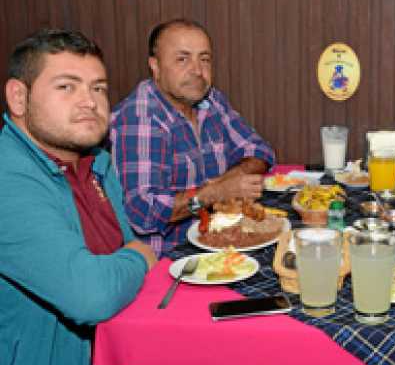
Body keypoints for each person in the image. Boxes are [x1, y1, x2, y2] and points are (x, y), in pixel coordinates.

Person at [0, 29, 156, 365]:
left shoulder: (96, 165)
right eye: (66, 87)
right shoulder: (8, 177)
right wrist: (141, 257)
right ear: (18, 98)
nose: (89, 101)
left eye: (98, 88)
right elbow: (90, 294)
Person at [110, 18, 275, 256]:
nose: (197, 71)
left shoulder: (211, 100)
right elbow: (144, 213)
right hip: (170, 261)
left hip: (221, 243)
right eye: (182, 59)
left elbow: (259, 150)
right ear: (154, 67)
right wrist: (214, 194)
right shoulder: (140, 117)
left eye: (204, 59)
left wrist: (226, 182)